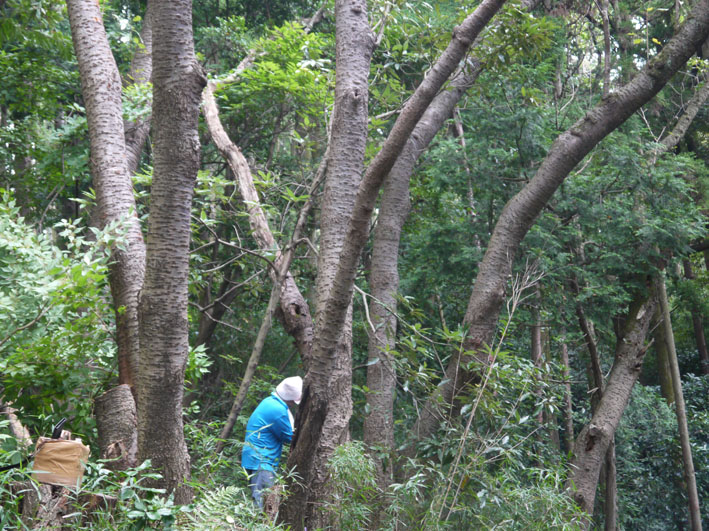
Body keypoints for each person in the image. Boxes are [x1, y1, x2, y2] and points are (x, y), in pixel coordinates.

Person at [241, 376, 302, 509]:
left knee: (260, 499)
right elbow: (290, 438)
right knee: (263, 503)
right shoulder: (278, 410)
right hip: (262, 461)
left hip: (255, 458)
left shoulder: (269, 401)